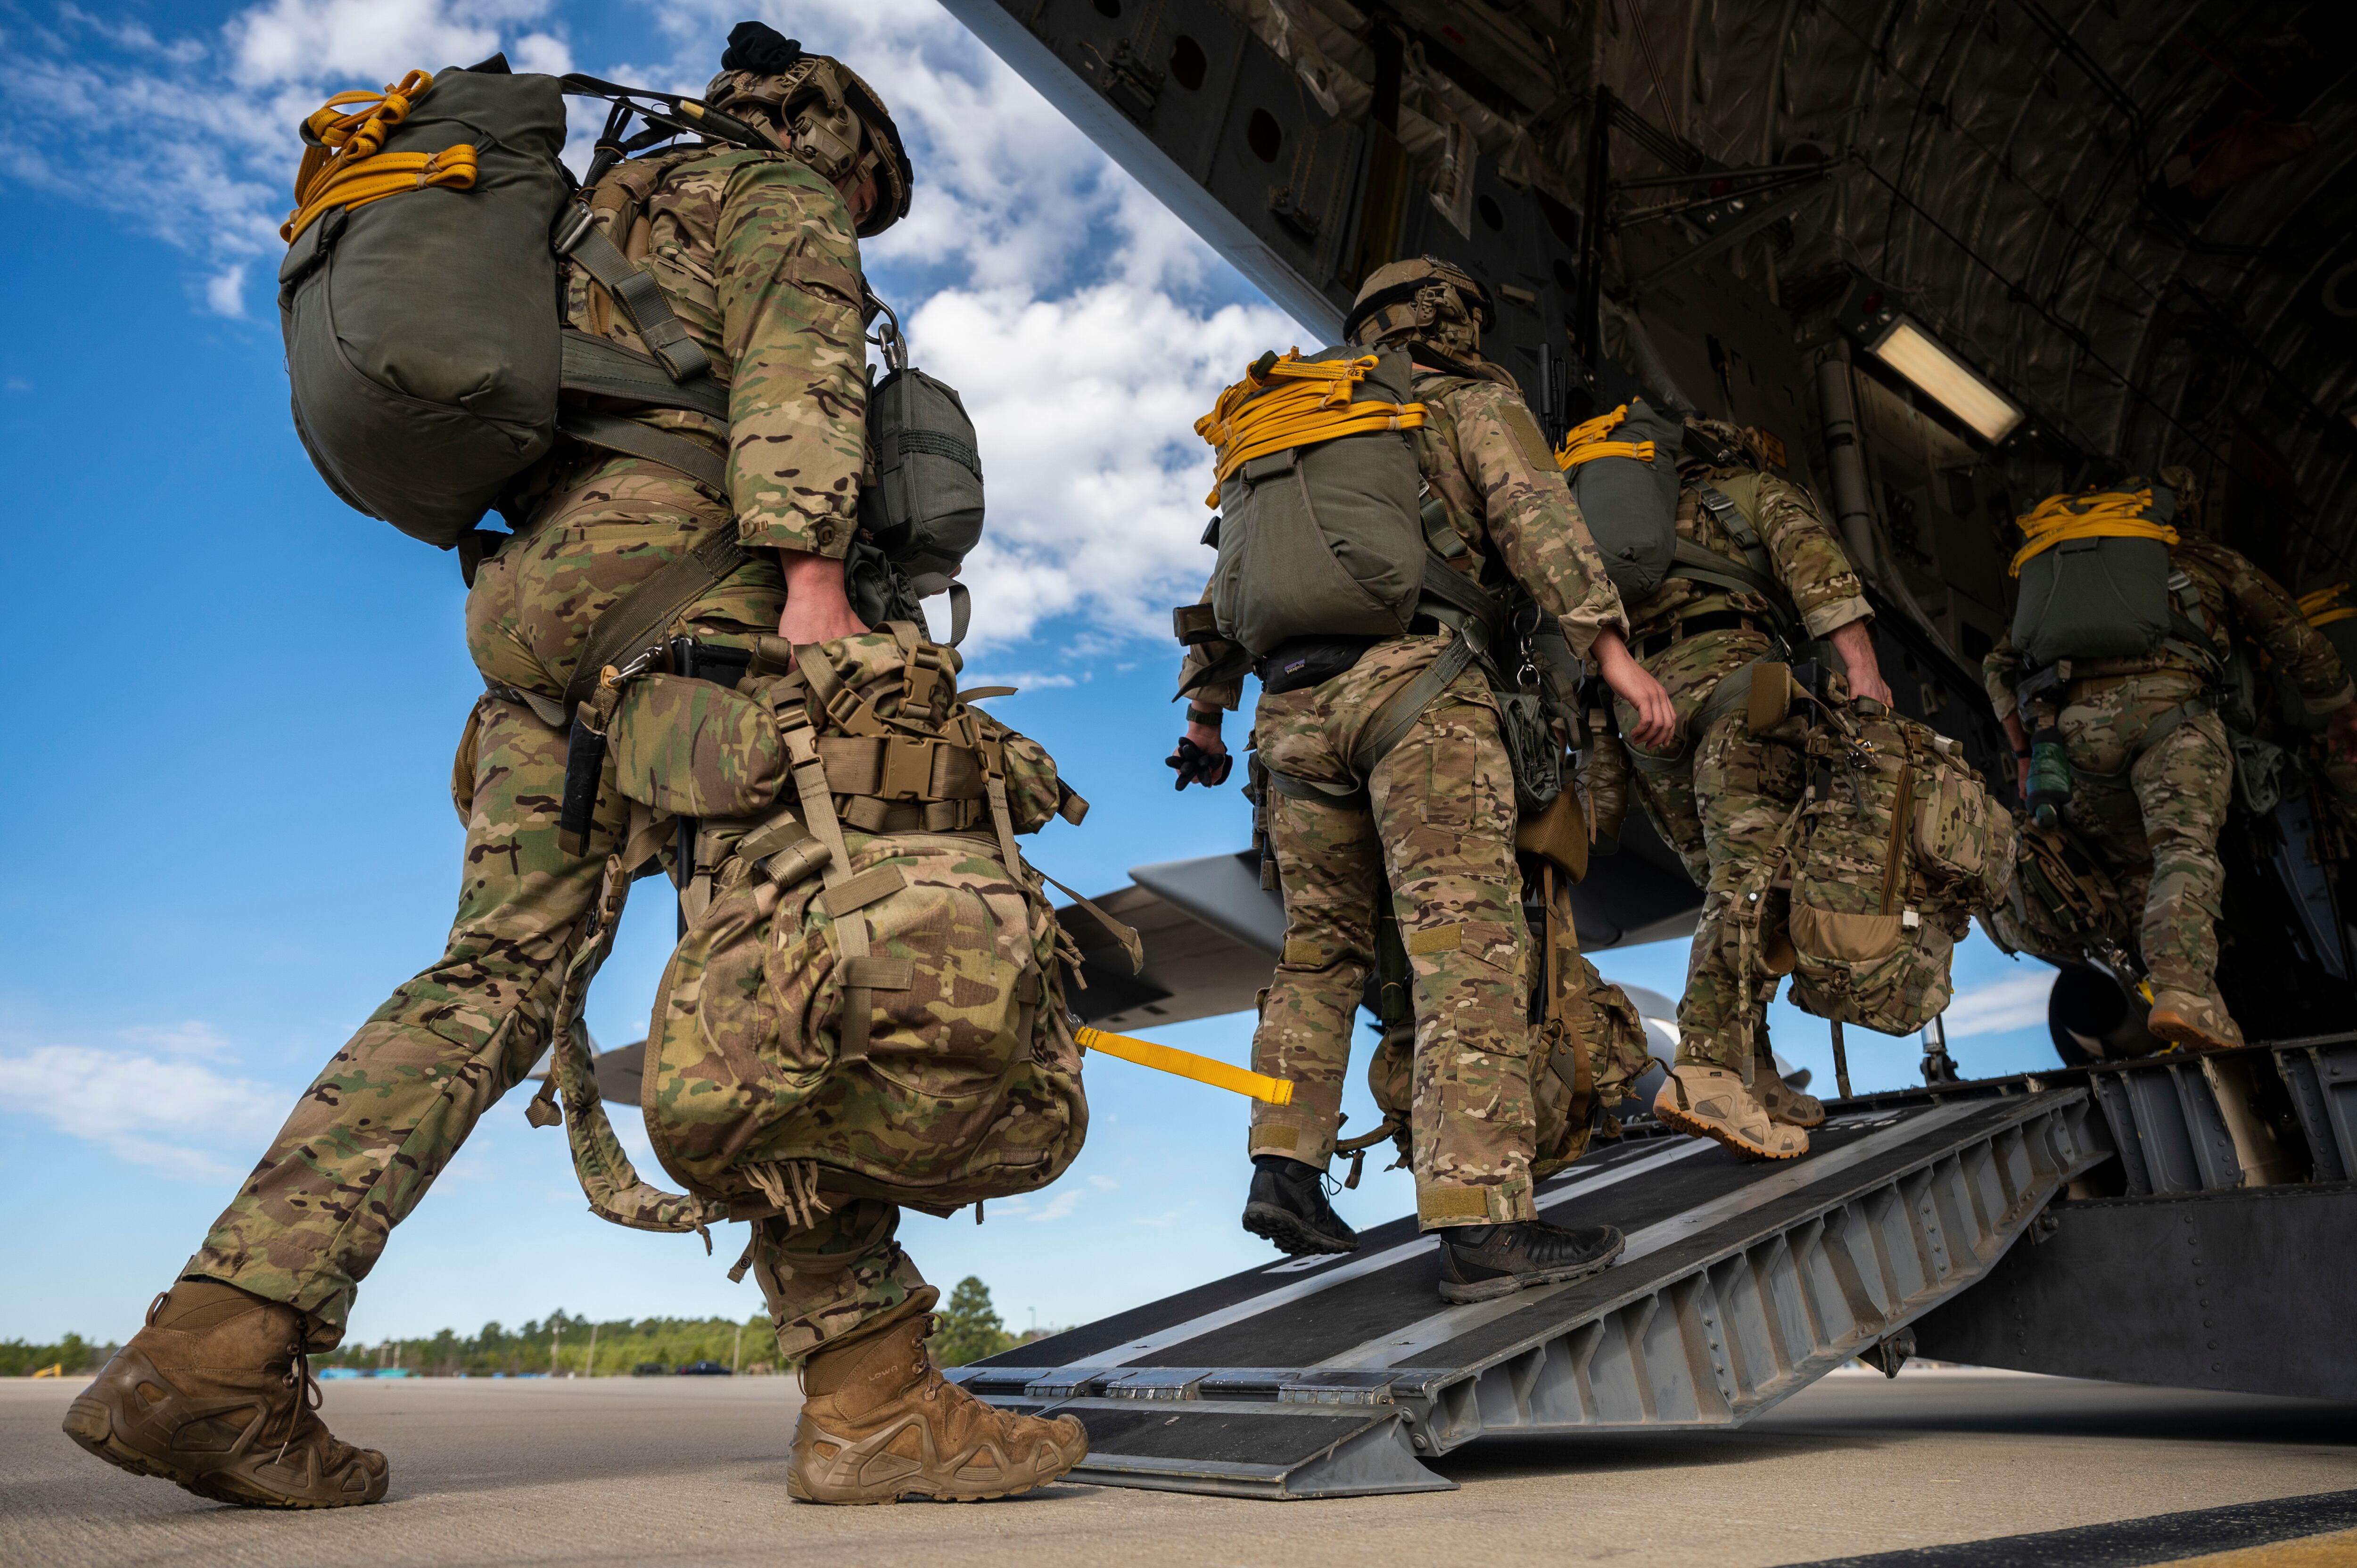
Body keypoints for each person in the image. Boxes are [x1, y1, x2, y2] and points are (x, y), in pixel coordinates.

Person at [66, 23, 1080, 1509]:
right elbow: (798, 379)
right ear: (839, 145)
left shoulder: (577, 216)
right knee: (803, 940)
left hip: (535, 617)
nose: (860, 219)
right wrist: (811, 587)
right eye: (870, 195)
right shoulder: (775, 195)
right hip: (701, 581)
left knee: (490, 972)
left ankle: (212, 1350)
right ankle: (873, 1399)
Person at [1170, 256, 1677, 1305]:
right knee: (1463, 955)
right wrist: (1613, 656)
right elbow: (1537, 518)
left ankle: (1285, 1168)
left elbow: (1222, 585)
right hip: (1421, 691)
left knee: (1318, 951)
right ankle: (1482, 1223)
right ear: (1454, 317)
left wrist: (1206, 716)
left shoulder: (1290, 421)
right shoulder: (1463, 401)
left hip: (1288, 715)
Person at [1984, 468, 2357, 1050]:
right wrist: (2338, 703)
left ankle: (2172, 1008)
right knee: (2181, 849)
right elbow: (2286, 630)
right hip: (2172, 721)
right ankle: (2184, 993)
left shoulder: (2056, 576)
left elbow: (1997, 667)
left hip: (2074, 739)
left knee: (2135, 870)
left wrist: (2027, 754)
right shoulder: (2197, 555)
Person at [1623, 418, 1894, 1161]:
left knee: (1724, 887)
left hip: (1644, 713)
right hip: (1735, 686)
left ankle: (1758, 1073)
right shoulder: (1753, 492)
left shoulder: (1623, 524)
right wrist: (1865, 678)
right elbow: (1824, 583)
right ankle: (1708, 1068)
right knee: (1754, 886)